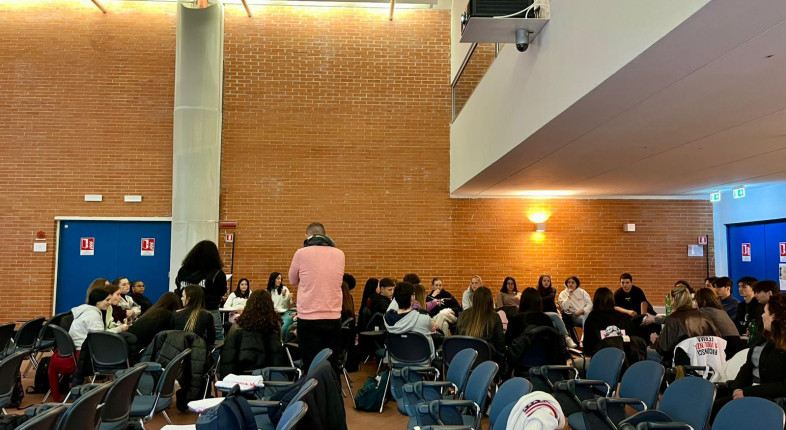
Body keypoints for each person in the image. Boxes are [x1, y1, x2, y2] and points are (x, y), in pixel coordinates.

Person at [711, 294, 786, 422]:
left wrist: (746, 392)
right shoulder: (764, 338)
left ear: (774, 317)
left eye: (765, 312)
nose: (762, 316)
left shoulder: (781, 345)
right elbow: (747, 366)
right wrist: (737, 388)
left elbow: (782, 386)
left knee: (719, 411)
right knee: (710, 405)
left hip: (769, 397)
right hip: (749, 391)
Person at [288, 222, 345, 373]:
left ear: (307, 236)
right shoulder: (339, 254)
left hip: (308, 317)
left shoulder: (301, 253)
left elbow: (292, 280)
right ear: (325, 235)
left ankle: (311, 388)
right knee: (332, 362)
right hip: (333, 316)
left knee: (310, 363)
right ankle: (333, 387)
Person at [52, 288, 126, 401]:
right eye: (107, 300)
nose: (109, 302)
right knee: (122, 350)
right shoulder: (93, 316)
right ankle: (121, 389)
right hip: (84, 355)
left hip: (75, 352)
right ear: (98, 301)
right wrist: (120, 329)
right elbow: (99, 337)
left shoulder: (85, 311)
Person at [219, 290, 284, 378]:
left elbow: (228, 349)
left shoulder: (238, 326)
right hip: (268, 375)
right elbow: (278, 352)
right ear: (270, 305)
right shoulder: (275, 325)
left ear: (249, 304)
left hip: (239, 374)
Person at [175, 240, 227, 341]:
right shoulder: (216, 273)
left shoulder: (183, 271)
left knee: (184, 338)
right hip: (209, 309)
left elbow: (178, 287)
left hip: (184, 310)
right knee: (216, 340)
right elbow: (221, 291)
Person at [653, 285, 718, 363]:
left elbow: (664, 349)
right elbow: (717, 339)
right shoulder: (704, 316)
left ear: (673, 300)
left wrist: (655, 340)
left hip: (679, 364)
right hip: (706, 362)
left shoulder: (673, 319)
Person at [384, 282, 439, 359]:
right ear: (412, 297)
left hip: (396, 360)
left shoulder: (387, 318)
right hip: (422, 361)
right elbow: (433, 328)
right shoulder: (424, 318)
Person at [457, 286, 506, 370]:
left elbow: (458, 338)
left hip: (464, 364)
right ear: (490, 300)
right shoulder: (494, 317)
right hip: (486, 367)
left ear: (474, 299)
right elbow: (500, 345)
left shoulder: (463, 315)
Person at [582, 288, 632, 356]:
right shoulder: (623, 318)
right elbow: (630, 340)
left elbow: (587, 347)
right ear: (612, 300)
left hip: (600, 357)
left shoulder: (591, 319)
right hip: (622, 357)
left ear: (595, 301)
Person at [267, 272, 294, 341]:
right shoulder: (268, 291)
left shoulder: (284, 289)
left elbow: (288, 306)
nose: (280, 281)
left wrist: (285, 297)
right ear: (273, 279)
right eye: (278, 279)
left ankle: (281, 342)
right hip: (273, 313)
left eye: (281, 279)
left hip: (284, 312)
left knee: (286, 324)